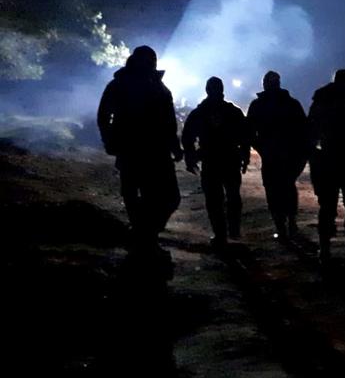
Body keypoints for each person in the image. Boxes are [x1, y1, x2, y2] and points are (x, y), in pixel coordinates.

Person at [96, 45, 183, 253]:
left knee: (165, 197)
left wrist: (175, 147)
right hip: (134, 150)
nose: (149, 64)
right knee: (140, 196)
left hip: (153, 151)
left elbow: (169, 122)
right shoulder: (122, 85)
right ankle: (144, 237)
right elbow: (103, 116)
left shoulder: (157, 88)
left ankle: (145, 234)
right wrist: (110, 142)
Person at [182, 76, 251, 247]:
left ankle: (220, 235)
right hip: (229, 159)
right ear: (222, 90)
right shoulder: (232, 111)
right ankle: (233, 229)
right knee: (232, 195)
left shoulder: (200, 112)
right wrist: (245, 156)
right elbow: (245, 136)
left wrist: (191, 157)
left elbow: (187, 136)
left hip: (211, 160)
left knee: (214, 200)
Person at [309, 68, 345, 263]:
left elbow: (311, 133)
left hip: (330, 161)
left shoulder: (322, 101)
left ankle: (326, 249)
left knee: (329, 207)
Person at [247, 70, 309, 240]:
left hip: (276, 155)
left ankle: (283, 226)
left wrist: (260, 148)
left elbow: (249, 133)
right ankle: (288, 224)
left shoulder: (259, 105)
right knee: (285, 188)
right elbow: (304, 130)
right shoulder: (291, 104)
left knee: (275, 191)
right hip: (284, 155)